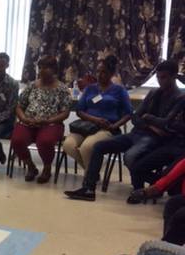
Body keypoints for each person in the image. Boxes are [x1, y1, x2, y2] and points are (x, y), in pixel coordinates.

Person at [65, 60, 183, 202]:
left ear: (174, 76)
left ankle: (142, 189)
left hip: (155, 139)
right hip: (138, 133)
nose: (160, 81)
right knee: (98, 147)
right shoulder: (154, 93)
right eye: (158, 77)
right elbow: (135, 117)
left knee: (129, 157)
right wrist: (150, 123)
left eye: (164, 77)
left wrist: (147, 118)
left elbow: (166, 125)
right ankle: (89, 188)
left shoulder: (180, 98)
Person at [63, 56, 132, 172]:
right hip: (86, 126)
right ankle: (92, 173)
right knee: (68, 145)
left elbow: (129, 113)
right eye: (98, 71)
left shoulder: (119, 90)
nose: (99, 75)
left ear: (111, 73)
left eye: (103, 72)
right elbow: (79, 110)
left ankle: (89, 179)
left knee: (87, 147)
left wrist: (114, 126)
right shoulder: (90, 89)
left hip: (107, 128)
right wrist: (95, 119)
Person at [11, 56, 71, 183]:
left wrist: (48, 121)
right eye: (40, 67)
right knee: (17, 140)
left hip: (51, 124)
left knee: (45, 141)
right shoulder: (32, 85)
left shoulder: (62, 89)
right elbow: (19, 105)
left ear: (54, 69)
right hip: (28, 122)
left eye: (46, 67)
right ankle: (31, 167)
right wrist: (24, 118)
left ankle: (47, 168)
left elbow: (65, 112)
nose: (42, 70)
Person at [126, 96, 185, 199]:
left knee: (171, 175)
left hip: (182, 152)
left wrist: (149, 117)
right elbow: (167, 123)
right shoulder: (182, 100)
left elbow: (170, 124)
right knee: (137, 167)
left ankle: (163, 187)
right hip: (173, 143)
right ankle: (158, 187)